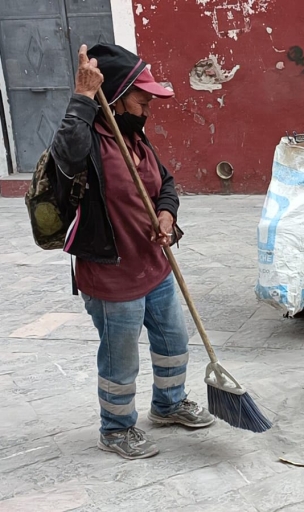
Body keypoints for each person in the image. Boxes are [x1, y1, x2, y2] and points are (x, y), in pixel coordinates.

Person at [51, 43, 214, 459]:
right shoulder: (88, 142)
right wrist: (83, 96)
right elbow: (64, 157)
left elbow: (168, 183)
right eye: (143, 101)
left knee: (174, 340)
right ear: (118, 99)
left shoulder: (136, 139)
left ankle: (169, 404)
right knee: (121, 361)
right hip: (111, 275)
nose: (149, 109)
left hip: (154, 268)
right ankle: (116, 428)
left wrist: (166, 215)